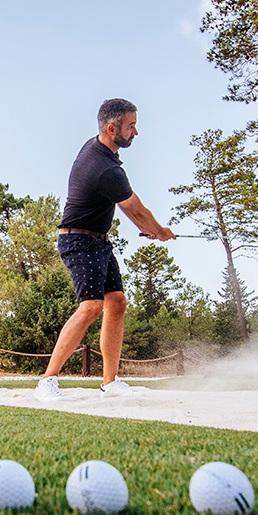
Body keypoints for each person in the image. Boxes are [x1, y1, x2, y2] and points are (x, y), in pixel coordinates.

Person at [35, 98, 174, 402]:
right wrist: (159, 231)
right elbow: (135, 210)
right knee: (91, 307)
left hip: (98, 240)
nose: (135, 132)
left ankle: (109, 382)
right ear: (112, 129)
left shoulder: (100, 148)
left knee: (118, 303)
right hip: (78, 241)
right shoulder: (103, 168)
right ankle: (47, 381)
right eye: (131, 126)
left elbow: (130, 208)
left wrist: (149, 227)